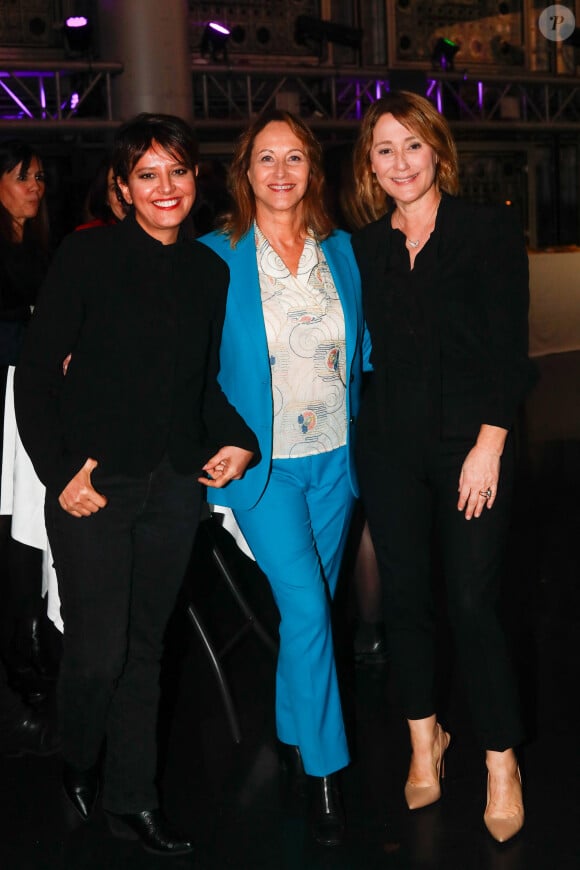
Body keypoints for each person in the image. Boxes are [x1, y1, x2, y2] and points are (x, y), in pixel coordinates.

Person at [14, 113, 258, 858]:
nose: (165, 187)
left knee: (146, 650)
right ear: (122, 187)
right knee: (97, 653)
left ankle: (133, 799)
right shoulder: (86, 260)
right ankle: (78, 758)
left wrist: (239, 439)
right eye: (146, 174)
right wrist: (61, 475)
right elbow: (34, 378)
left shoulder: (207, 272)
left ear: (195, 180)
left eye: (178, 172)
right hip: (93, 484)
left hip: (173, 487)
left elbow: (201, 387)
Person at [350, 91, 536, 843]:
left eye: (413, 146)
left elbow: (508, 349)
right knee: (406, 599)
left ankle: (500, 759)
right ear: (370, 164)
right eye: (385, 149)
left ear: (438, 152)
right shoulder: (361, 249)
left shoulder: (486, 230)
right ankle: (426, 741)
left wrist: (488, 445)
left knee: (470, 602)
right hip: (388, 444)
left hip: (470, 442)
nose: (400, 162)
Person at [199, 109, 369, 847]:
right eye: (265, 159)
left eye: (293, 158)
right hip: (263, 468)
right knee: (306, 612)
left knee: (310, 614)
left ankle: (293, 730)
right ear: (245, 171)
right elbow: (187, 362)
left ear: (311, 170)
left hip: (338, 459)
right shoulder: (214, 255)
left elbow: (366, 350)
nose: (279, 172)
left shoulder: (346, 253)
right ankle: (326, 775)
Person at [0, 140, 54, 696]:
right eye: (23, 177)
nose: (35, 186)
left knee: (25, 521)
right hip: (8, 390)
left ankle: (30, 636)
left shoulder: (38, 244)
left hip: (28, 393)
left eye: (39, 177)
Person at [76, 156, 129, 230]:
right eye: (115, 188)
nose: (124, 195)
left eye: (129, 185)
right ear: (106, 198)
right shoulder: (87, 236)